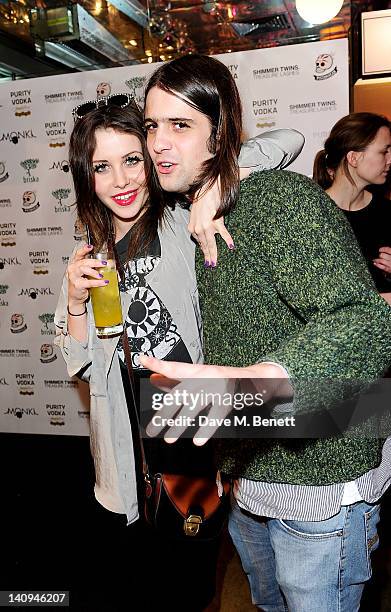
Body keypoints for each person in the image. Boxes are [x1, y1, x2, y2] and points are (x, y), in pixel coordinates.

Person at [139, 54, 391, 612]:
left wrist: (268, 377)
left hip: (323, 474)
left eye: (181, 126)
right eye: (152, 125)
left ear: (220, 131)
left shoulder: (278, 200)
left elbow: (366, 321)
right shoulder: (190, 212)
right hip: (253, 473)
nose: (160, 143)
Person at [53, 95, 303, 611]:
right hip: (123, 452)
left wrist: (213, 187)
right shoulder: (89, 255)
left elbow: (288, 143)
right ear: (87, 178)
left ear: (151, 160)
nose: (120, 180)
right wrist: (75, 302)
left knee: (189, 590)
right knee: (136, 586)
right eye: (102, 167)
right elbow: (78, 363)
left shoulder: (181, 222)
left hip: (187, 432)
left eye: (131, 160)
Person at [313, 112, 391, 303]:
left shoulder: (387, 212)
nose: (390, 160)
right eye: (384, 151)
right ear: (354, 158)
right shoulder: (313, 215)